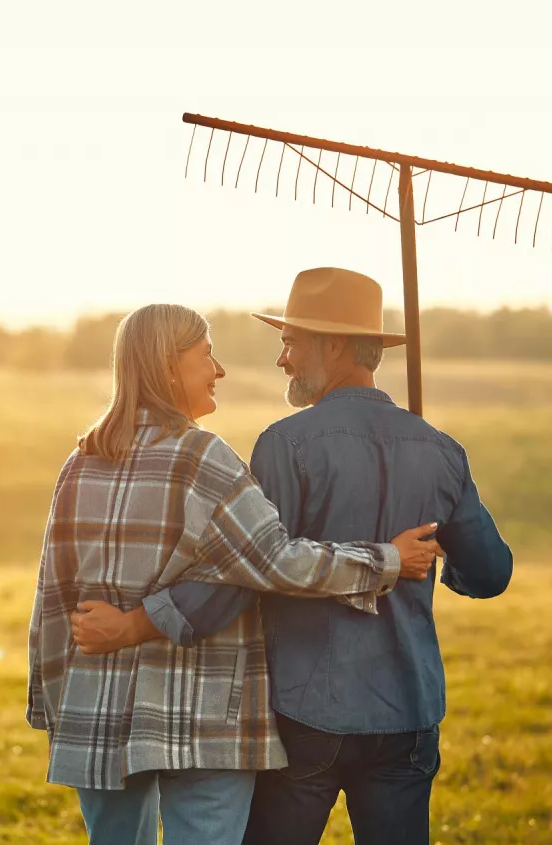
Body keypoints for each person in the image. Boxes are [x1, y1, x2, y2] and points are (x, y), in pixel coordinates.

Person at [72, 269, 513, 845]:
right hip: (411, 707)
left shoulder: (287, 443)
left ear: (332, 346)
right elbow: (489, 574)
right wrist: (432, 554)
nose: (283, 360)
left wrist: (138, 624)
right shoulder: (440, 449)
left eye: (290, 343)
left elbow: (245, 572)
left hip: (306, 714)